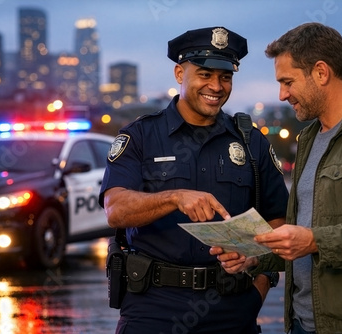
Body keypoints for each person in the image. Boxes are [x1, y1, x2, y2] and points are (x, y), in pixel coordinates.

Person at [211, 22, 342, 334]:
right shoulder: (310, 138)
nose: (282, 94)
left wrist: (314, 241)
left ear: (321, 73)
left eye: (288, 82)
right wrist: (256, 257)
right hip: (304, 323)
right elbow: (303, 240)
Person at [99, 26, 289, 333]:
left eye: (225, 77)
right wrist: (174, 197)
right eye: (204, 74)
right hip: (153, 307)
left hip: (233, 306)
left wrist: (258, 274)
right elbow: (115, 210)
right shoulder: (141, 136)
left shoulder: (252, 143)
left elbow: (280, 222)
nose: (216, 86)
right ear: (179, 73)